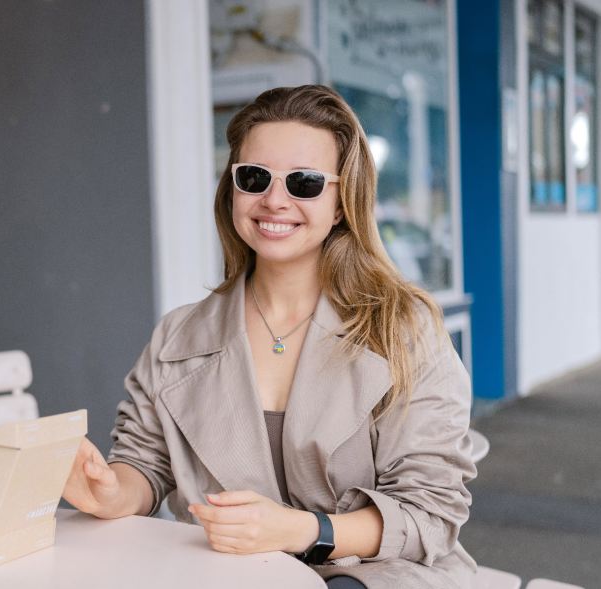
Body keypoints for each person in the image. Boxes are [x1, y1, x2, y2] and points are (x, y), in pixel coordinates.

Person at [61, 85, 477, 589]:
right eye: (254, 178)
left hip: (378, 578)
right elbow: (145, 466)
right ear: (233, 189)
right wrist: (109, 492)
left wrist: (303, 531)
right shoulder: (178, 336)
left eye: (304, 182)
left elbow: (429, 513)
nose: (274, 200)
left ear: (343, 202)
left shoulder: (404, 329)